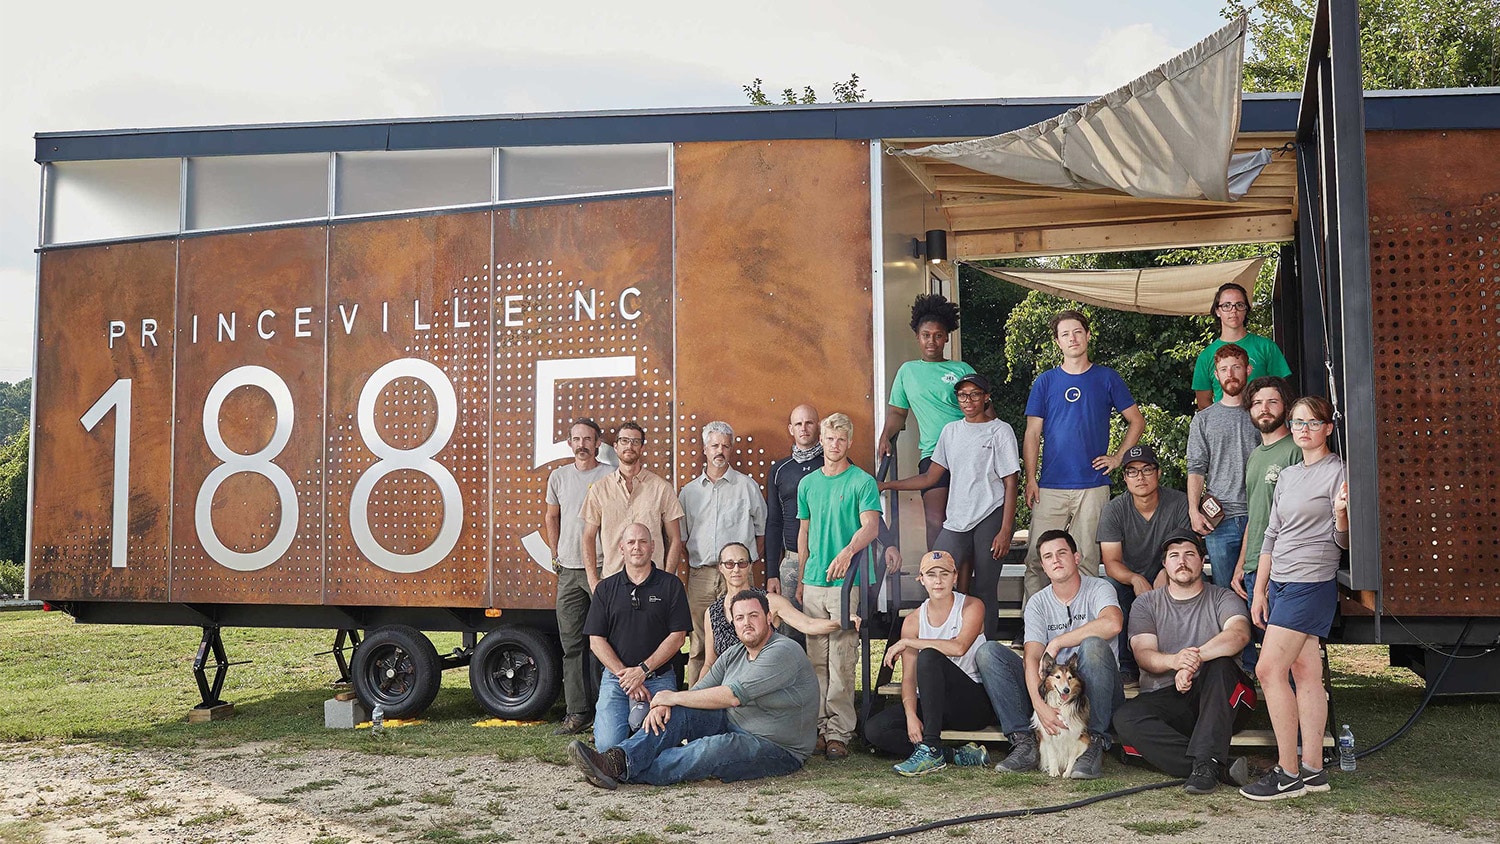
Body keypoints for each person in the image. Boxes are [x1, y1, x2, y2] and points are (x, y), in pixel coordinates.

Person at [566, 590, 819, 788]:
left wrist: (671, 696)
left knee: (709, 750)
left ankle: (624, 771)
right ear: (733, 623)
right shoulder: (735, 653)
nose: (747, 623)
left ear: (768, 618)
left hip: (777, 747)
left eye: (754, 616)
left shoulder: (783, 651)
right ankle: (615, 761)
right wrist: (668, 704)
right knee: (679, 713)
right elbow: (701, 689)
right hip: (735, 724)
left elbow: (732, 696)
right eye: (740, 618)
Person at [1240, 396, 1349, 801]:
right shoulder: (1287, 475)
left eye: (1312, 422)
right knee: (1305, 675)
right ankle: (1313, 771)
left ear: (1328, 428)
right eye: (1297, 422)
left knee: (1269, 671)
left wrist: (1340, 516)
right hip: (1281, 581)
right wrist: (1261, 588)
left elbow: (1342, 540)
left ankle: (1287, 774)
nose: (1303, 429)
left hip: (1311, 583)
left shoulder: (1337, 473)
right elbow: (1271, 533)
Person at [1112, 534, 1255, 794]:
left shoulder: (1223, 597)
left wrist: (1192, 661)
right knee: (1125, 718)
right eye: (1174, 556)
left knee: (1221, 665)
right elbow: (1143, 654)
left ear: (1202, 561)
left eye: (1189, 554)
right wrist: (1175, 661)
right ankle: (1213, 766)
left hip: (1222, 698)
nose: (1182, 561)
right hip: (1169, 698)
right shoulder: (1147, 603)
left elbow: (1239, 635)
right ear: (1164, 565)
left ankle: (1204, 761)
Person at [976, 530, 1124, 779]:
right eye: (1048, 556)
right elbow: (1032, 658)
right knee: (988, 652)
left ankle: (1093, 743)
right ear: (1043, 566)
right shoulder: (1038, 602)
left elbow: (1113, 624)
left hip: (1096, 692)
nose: (1055, 560)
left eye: (1062, 553)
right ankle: (1026, 741)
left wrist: (1057, 642)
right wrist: (1039, 705)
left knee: (1093, 645)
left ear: (1076, 557)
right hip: (1053, 692)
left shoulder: (1099, 588)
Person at [880, 373, 1019, 639]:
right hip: (957, 520)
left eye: (975, 394)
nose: (968, 400)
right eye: (963, 395)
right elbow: (931, 477)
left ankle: (985, 649)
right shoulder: (951, 432)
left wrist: (1005, 530)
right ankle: (945, 641)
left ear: (986, 397)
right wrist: (888, 485)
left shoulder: (1000, 431)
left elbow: (1011, 483)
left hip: (990, 515)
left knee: (986, 588)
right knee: (937, 574)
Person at [1022, 309, 1146, 605]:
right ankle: (1033, 625)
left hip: (1093, 484)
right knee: (1038, 559)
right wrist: (1030, 479)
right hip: (1051, 484)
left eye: (1077, 332)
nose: (1073, 338)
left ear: (1088, 335)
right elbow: (1032, 434)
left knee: (1087, 558)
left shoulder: (1107, 377)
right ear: (1058, 342)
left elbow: (1136, 421)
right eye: (1065, 334)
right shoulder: (1046, 382)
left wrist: (1118, 457)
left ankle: (1085, 624)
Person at [797, 412, 882, 761]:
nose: (835, 445)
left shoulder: (862, 482)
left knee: (842, 660)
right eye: (830, 439)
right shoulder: (808, 484)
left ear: (849, 442)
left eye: (841, 440)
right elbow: (803, 533)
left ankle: (840, 732)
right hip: (814, 581)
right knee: (815, 660)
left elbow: (871, 527)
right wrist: (802, 578)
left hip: (846, 584)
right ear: (822, 440)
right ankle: (817, 729)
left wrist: (848, 552)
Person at [864, 550, 995, 776]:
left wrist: (909, 642)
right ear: (921, 579)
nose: (938, 580)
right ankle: (953, 755)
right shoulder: (914, 620)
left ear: (955, 577)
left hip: (971, 705)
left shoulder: (972, 606)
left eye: (944, 574)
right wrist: (910, 716)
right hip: (934, 704)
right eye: (931, 574)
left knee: (930, 655)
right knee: (874, 730)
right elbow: (908, 679)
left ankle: (931, 748)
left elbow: (959, 647)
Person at [581, 523, 691, 751]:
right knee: (607, 746)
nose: (636, 547)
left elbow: (678, 637)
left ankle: (636, 739)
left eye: (642, 542)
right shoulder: (605, 589)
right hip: (616, 679)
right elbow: (596, 640)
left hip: (659, 678)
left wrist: (642, 671)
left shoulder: (671, 585)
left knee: (656, 742)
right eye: (631, 542)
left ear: (652, 547)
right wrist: (627, 678)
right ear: (621, 547)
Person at [877, 294, 975, 548]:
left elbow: (986, 413)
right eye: (926, 335)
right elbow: (898, 413)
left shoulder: (962, 369)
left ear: (946, 337)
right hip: (933, 453)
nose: (932, 341)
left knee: (968, 521)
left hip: (969, 451)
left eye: (938, 335)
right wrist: (886, 435)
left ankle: (964, 582)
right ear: (917, 337)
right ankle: (937, 579)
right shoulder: (907, 371)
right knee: (934, 520)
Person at [542, 418, 616, 735]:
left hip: (603, 569)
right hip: (570, 571)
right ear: (570, 443)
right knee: (573, 645)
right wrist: (555, 552)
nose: (582, 443)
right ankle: (577, 713)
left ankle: (608, 712)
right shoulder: (558, 477)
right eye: (577, 439)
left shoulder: (609, 475)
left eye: (588, 438)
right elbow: (551, 515)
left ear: (597, 443)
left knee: (607, 644)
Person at [1097, 443, 1193, 684]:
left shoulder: (1179, 503)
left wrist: (1166, 573)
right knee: (1112, 588)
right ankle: (1127, 665)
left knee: (1186, 582)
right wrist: (1135, 579)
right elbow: (1111, 562)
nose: (1140, 477)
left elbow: (1185, 548)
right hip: (1130, 579)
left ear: (1158, 473)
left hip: (1170, 573)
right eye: (1132, 471)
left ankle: (1179, 662)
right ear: (1125, 478)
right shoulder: (1114, 510)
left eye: (1147, 469)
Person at [679, 421, 767, 684]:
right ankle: (695, 702)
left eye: (725, 446)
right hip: (702, 576)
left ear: (731, 450)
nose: (720, 450)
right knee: (699, 644)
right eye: (715, 445)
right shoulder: (689, 492)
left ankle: (742, 699)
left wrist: (742, 566)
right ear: (705, 449)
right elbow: (684, 538)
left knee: (746, 638)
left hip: (739, 575)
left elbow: (761, 533)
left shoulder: (746, 487)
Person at [1230, 376, 1302, 674]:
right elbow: (1255, 514)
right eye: (1258, 403)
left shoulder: (1296, 451)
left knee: (1290, 656)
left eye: (1272, 401)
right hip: (1254, 565)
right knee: (1270, 652)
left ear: (1285, 406)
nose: (1264, 409)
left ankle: (1300, 718)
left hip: (1283, 566)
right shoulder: (1256, 457)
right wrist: (1241, 564)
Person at [701, 542, 850, 677]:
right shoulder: (712, 612)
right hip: (726, 684)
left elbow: (808, 624)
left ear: (751, 566)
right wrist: (695, 696)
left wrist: (839, 622)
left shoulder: (770, 601)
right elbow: (709, 663)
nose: (736, 569)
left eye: (742, 563)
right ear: (720, 567)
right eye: (729, 564)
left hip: (764, 679)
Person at [1186, 344, 1261, 589]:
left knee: (1259, 589)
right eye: (1224, 369)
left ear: (1248, 370)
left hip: (1259, 515)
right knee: (1224, 592)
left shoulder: (1261, 415)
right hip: (1220, 519)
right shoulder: (1203, 419)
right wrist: (1193, 511)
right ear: (1215, 376)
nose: (1230, 374)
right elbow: (1196, 468)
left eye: (1236, 367)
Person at [580, 422, 686, 583]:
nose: (629, 446)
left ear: (642, 448)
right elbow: (588, 537)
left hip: (653, 581)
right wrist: (593, 581)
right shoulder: (599, 489)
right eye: (624, 441)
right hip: (612, 580)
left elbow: (675, 538)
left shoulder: (662, 488)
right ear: (615, 446)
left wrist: (667, 581)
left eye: (635, 442)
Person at [1192, 282, 1292, 410]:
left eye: (1239, 305)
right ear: (1217, 311)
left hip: (1263, 425)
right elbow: (1203, 404)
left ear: (1246, 309)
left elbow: (1282, 393)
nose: (1233, 310)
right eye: (1227, 305)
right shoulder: (1206, 356)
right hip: (1225, 427)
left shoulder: (1266, 347)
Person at [764, 404, 824, 603]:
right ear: (791, 429)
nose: (804, 428)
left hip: (828, 558)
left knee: (826, 626)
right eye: (798, 424)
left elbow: (862, 508)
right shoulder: (779, 470)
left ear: (818, 426)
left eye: (809, 423)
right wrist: (771, 573)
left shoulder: (835, 463)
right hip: (792, 560)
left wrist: (888, 544)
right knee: (789, 629)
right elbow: (774, 522)